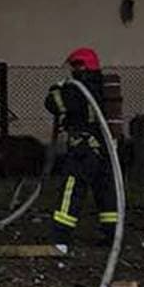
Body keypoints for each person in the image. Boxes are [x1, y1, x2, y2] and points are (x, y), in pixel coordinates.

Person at [45, 46, 118, 239]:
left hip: (83, 150)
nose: (72, 71)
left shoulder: (76, 89)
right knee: (106, 192)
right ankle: (112, 234)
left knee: (72, 189)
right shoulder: (102, 86)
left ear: (81, 66)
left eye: (74, 66)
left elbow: (54, 105)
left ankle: (60, 237)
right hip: (104, 149)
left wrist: (56, 89)